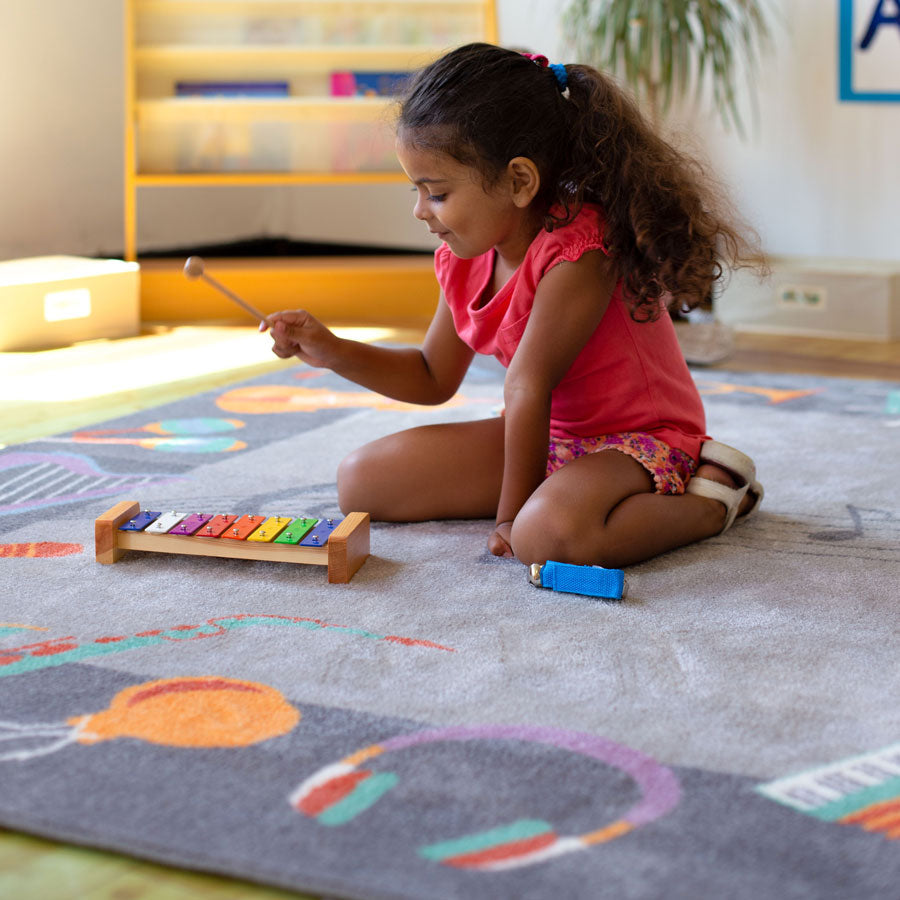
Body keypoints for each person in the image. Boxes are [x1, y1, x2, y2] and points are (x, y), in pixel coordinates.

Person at [262, 42, 764, 569]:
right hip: (548, 437)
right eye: (417, 190)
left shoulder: (580, 252)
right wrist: (329, 349)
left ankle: (714, 500)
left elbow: (528, 382)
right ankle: (559, 495)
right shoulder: (463, 257)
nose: (419, 211)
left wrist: (511, 517)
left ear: (519, 181)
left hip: (640, 441)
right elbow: (432, 376)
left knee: (544, 537)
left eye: (436, 193)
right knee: (360, 481)